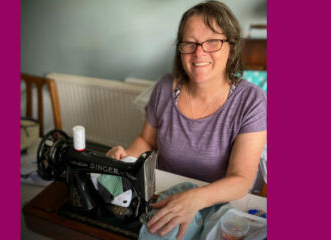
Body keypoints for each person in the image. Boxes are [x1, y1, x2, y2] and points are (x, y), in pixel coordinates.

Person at [106, 1, 266, 239]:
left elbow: (241, 180)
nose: (199, 52)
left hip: (222, 205)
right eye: (189, 43)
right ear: (180, 49)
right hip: (165, 193)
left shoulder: (252, 100)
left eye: (212, 41)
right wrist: (126, 159)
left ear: (231, 47)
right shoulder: (164, 87)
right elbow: (146, 141)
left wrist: (195, 199)